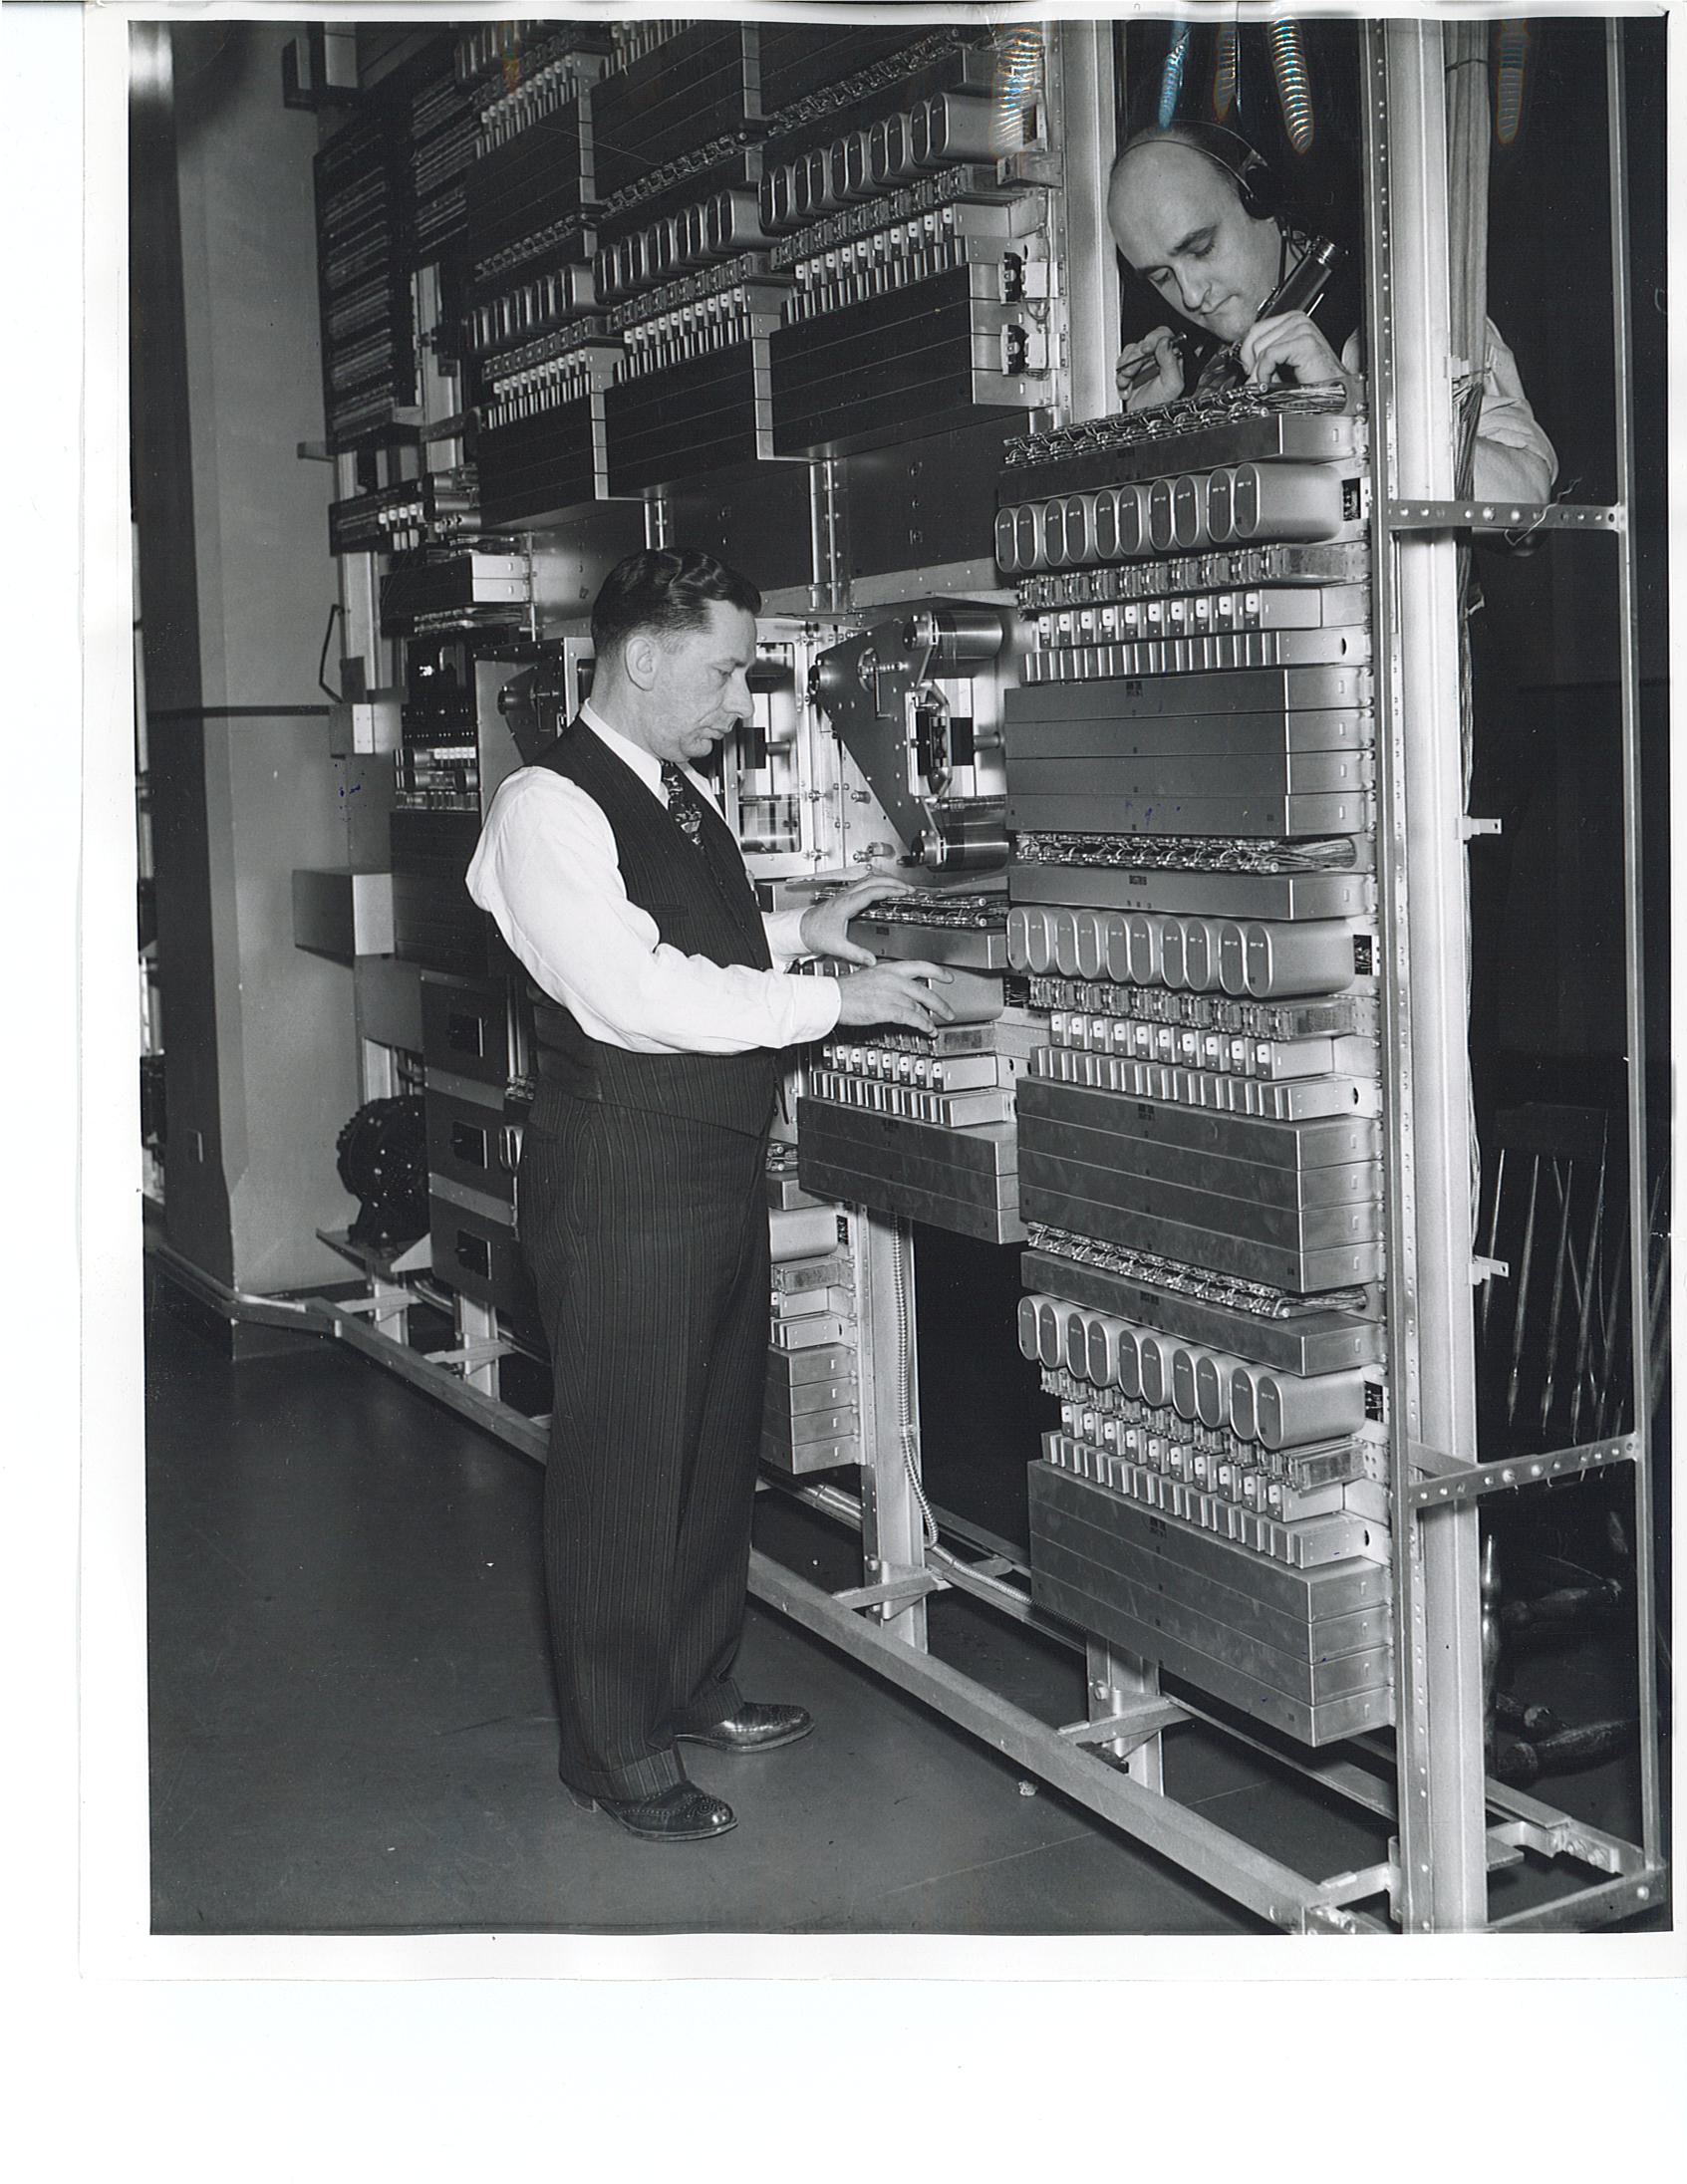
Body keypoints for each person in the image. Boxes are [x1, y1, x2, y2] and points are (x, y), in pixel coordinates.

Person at [467, 548, 951, 1843]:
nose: (743, 696)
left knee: (704, 1449)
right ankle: (612, 1748)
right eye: (729, 665)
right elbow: (634, 993)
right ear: (642, 654)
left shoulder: (677, 795)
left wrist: (805, 932)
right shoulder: (546, 809)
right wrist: (831, 1001)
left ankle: (690, 1684)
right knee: (626, 1464)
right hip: (625, 1172)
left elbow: (697, 946)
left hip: (710, 1162)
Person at [1107, 123, 1556, 504]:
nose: (1190, 294)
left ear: (1258, 196)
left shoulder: (1399, 314)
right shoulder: (1195, 371)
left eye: (1201, 248)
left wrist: (1352, 406)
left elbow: (1526, 504)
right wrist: (1149, 438)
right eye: (1161, 277)